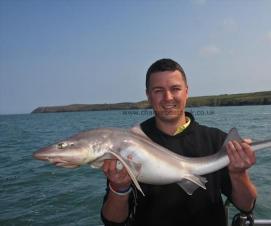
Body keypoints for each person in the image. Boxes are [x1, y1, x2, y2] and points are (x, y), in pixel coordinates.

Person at [101, 58, 257, 226]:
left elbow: (246, 206)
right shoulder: (129, 145)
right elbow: (113, 221)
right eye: (158, 90)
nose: (168, 98)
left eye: (175, 89)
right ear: (148, 95)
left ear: (186, 92)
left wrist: (238, 173)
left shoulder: (216, 140)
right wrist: (118, 188)